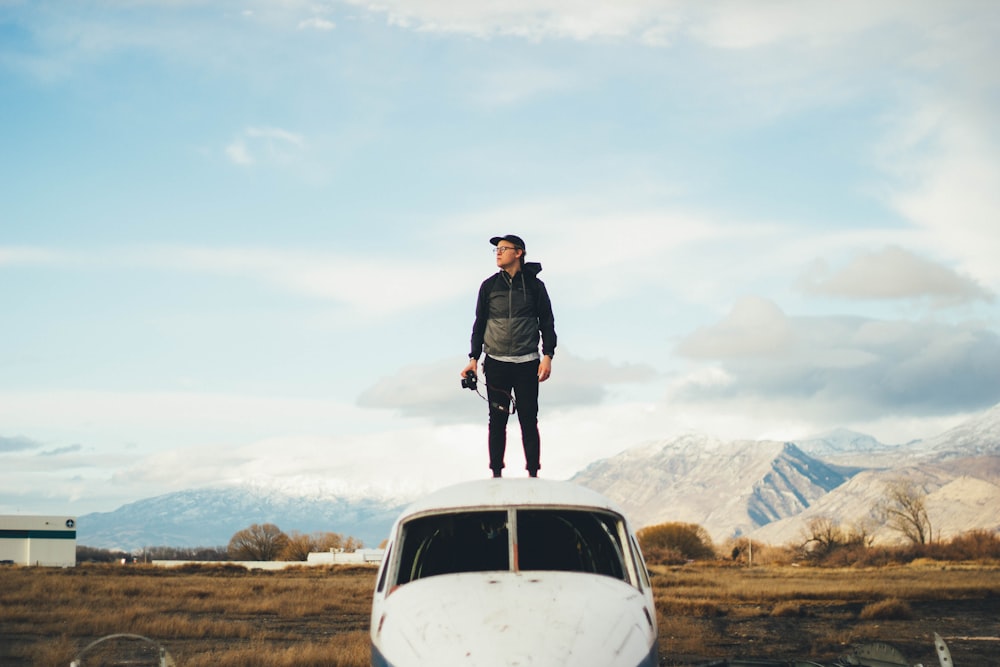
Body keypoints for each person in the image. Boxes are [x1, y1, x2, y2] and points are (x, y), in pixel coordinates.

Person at [461, 234, 557, 478]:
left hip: (527, 363)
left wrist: (548, 355)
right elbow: (479, 324)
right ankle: (496, 475)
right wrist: (473, 359)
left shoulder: (536, 286)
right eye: (496, 249)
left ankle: (533, 474)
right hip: (496, 364)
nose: (498, 253)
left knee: (528, 419)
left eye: (503, 248)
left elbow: (547, 321)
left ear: (519, 252)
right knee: (497, 420)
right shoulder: (489, 286)